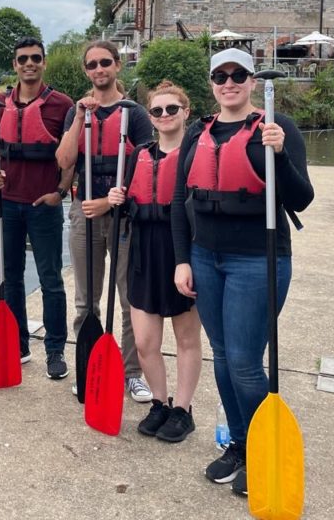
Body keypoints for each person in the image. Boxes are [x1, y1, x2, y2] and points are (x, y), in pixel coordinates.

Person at [171, 48, 313, 499]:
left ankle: (263, 450)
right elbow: (179, 201)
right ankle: (239, 444)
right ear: (211, 83)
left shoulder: (277, 126)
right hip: (205, 258)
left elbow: (302, 198)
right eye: (220, 76)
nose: (229, 83)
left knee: (246, 362)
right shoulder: (197, 133)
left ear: (252, 81)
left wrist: (280, 154)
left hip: (257, 259)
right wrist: (182, 259)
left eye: (238, 75)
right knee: (222, 355)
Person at [56, 39, 154, 402]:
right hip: (84, 215)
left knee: (129, 300)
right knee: (86, 301)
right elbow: (65, 161)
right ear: (86, 71)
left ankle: (131, 373)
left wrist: (109, 202)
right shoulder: (77, 112)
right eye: (92, 64)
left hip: (124, 216)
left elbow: (146, 167)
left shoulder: (135, 114)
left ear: (117, 66)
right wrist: (78, 117)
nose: (99, 69)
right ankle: (88, 366)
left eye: (105, 63)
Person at [107, 80, 203, 442]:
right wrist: (118, 199)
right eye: (157, 110)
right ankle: (160, 403)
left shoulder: (196, 153)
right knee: (146, 342)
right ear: (150, 117)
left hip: (181, 252)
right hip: (143, 252)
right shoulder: (138, 155)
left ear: (186, 112)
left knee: (186, 339)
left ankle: (183, 409)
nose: (164, 115)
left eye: (172, 109)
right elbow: (130, 201)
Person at [0, 37, 74, 380]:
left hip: (43, 206)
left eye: (36, 58)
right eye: (23, 59)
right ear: (15, 65)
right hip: (7, 204)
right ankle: (19, 344)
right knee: (11, 278)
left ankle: (55, 350)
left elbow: (71, 157)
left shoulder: (62, 105)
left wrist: (60, 192)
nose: (29, 64)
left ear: (44, 62)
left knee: (51, 279)